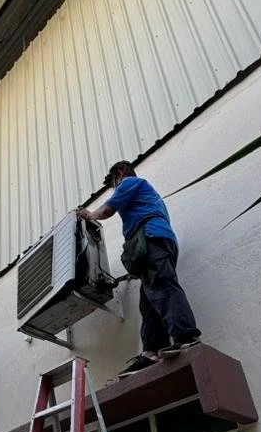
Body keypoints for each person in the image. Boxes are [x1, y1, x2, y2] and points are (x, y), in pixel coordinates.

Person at [77, 161, 200, 377]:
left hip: (151, 240)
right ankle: (151, 352)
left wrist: (89, 215)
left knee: (162, 287)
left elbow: (108, 209)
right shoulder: (146, 195)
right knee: (149, 302)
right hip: (156, 243)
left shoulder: (130, 182)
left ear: (119, 174)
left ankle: (187, 337)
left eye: (114, 184)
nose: (116, 188)